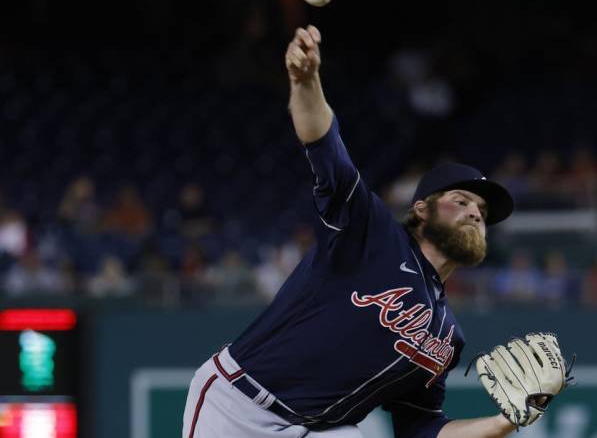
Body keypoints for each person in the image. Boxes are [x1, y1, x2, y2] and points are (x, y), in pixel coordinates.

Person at [183, 25, 520, 438]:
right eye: (462, 200)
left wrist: (507, 421)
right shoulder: (372, 232)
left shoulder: (448, 336)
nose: (475, 214)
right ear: (421, 209)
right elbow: (326, 146)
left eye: (483, 211)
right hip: (240, 405)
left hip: (321, 430)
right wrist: (306, 82)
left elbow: (423, 430)